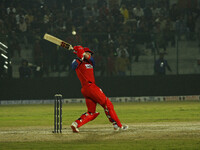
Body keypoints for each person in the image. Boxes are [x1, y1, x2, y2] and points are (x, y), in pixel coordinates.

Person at [70, 46, 128, 133]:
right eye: (88, 52)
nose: (90, 54)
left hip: (87, 90)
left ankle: (76, 124)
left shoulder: (90, 62)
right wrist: (79, 56)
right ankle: (119, 126)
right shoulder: (77, 62)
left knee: (91, 113)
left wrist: (82, 53)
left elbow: (91, 59)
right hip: (90, 87)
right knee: (108, 104)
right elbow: (73, 66)